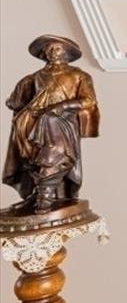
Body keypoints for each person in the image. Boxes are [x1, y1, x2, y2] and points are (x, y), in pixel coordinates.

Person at [3, 36, 98, 214]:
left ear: (66, 53)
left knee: (54, 155)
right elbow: (19, 101)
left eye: (58, 48)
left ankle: (44, 199)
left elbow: (89, 100)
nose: (53, 52)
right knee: (33, 158)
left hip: (60, 120)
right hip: (32, 120)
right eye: (49, 48)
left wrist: (62, 106)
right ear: (44, 53)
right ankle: (36, 194)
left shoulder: (79, 76)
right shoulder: (37, 76)